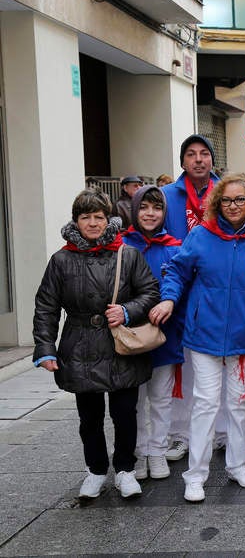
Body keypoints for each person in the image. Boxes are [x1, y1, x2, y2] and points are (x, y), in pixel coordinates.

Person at [150, 173, 245, 502]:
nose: (233, 206)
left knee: (239, 405)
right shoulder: (200, 235)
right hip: (204, 337)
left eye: (240, 200)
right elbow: (176, 271)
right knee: (205, 404)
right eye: (226, 200)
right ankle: (195, 475)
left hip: (244, 338)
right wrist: (169, 298)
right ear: (217, 203)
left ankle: (238, 465)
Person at [33, 189, 161, 499]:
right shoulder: (61, 260)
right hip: (79, 345)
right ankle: (95, 470)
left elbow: (151, 292)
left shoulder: (127, 254)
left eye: (98, 217)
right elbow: (46, 307)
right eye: (86, 217)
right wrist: (45, 349)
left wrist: (127, 310)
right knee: (89, 416)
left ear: (109, 220)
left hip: (120, 344)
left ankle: (126, 470)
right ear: (76, 221)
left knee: (125, 412)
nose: (93, 223)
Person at [161, 134, 221, 462]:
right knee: (180, 367)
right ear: (183, 161)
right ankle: (180, 434)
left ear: (212, 160)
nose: (198, 160)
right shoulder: (168, 196)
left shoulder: (225, 193)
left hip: (214, 291)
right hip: (178, 288)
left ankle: (219, 432)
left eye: (204, 154)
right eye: (191, 154)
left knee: (214, 368)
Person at [122, 185, 185, 481]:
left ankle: (158, 451)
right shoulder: (121, 247)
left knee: (161, 398)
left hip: (165, 335)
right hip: (130, 337)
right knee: (133, 402)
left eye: (157, 208)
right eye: (144, 207)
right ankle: (138, 452)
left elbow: (183, 286)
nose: (150, 213)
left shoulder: (175, 248)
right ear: (135, 210)